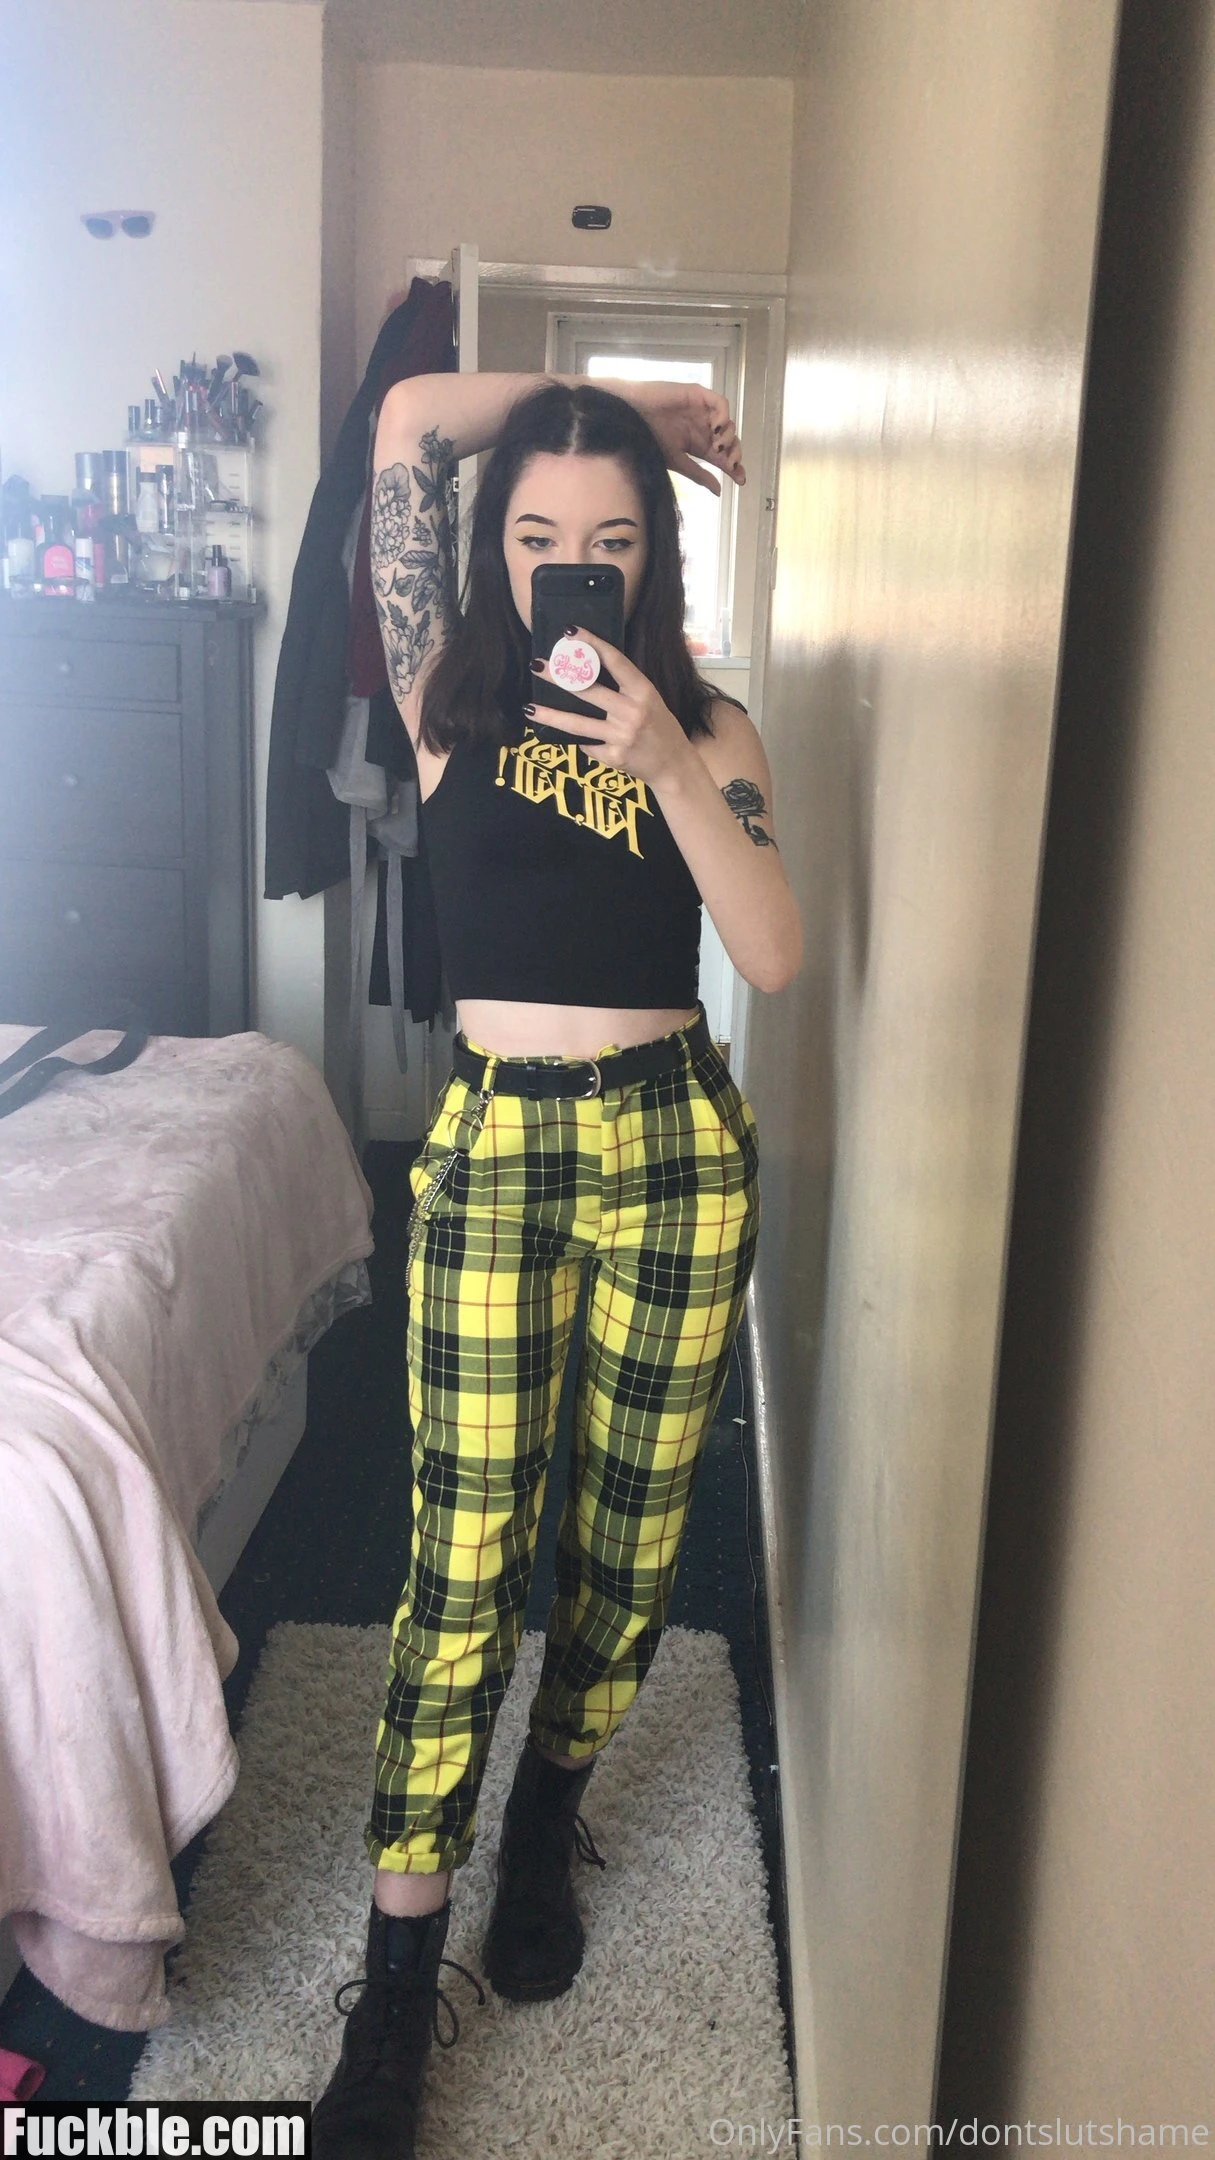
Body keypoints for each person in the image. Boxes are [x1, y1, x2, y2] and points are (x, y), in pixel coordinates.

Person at [312, 368, 803, 2158]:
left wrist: (666, 761)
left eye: (606, 538)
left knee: (627, 1539)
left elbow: (774, 949)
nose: (566, 566)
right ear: (495, 553)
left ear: (651, 556)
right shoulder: (443, 691)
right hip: (497, 1145)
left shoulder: (712, 727)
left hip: (673, 1147)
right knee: (459, 1561)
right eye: (534, 535)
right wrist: (603, 409)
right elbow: (403, 428)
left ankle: (542, 1818)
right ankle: (394, 1981)